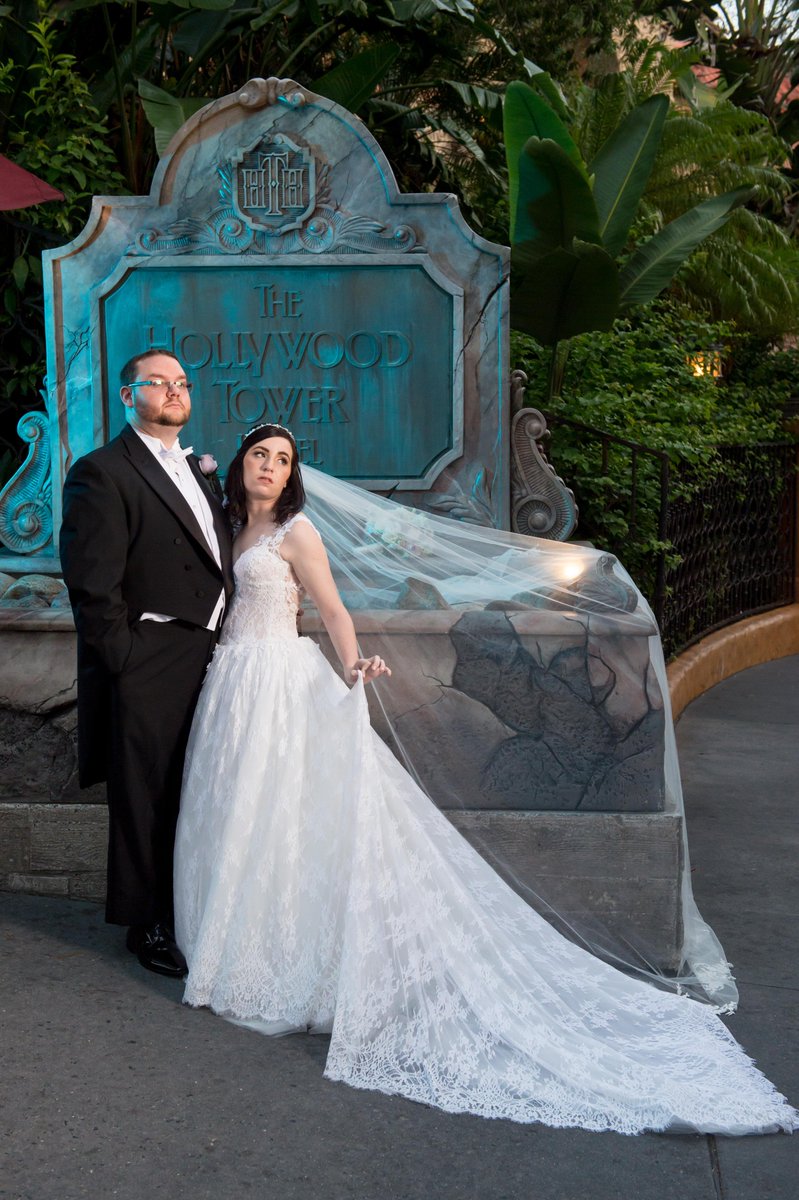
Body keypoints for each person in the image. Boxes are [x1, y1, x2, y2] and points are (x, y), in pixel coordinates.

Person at [173, 423, 797, 1135]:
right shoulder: (230, 527)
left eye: (283, 460)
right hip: (233, 683)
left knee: (286, 818)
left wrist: (351, 667)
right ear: (242, 465)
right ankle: (233, 945)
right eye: (261, 455)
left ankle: (290, 962)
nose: (270, 467)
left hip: (279, 681)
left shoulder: (297, 534)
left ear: (293, 476)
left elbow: (334, 609)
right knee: (240, 812)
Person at [60, 349, 234, 978]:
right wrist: (127, 660)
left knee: (195, 784)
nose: (173, 391)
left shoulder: (199, 468)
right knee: (145, 795)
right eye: (158, 382)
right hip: (150, 656)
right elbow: (91, 584)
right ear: (128, 395)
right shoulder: (102, 471)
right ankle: (147, 924)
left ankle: (186, 906)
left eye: (181, 382)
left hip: (213, 651)